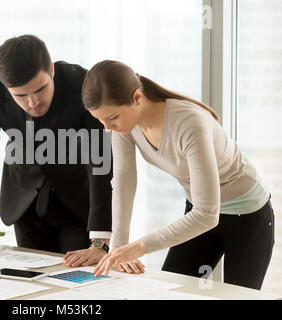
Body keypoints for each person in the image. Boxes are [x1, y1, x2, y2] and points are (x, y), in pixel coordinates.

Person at [83, 60, 274, 290]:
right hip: (199, 211)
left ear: (136, 97)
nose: (106, 127)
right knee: (170, 293)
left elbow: (207, 214)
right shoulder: (125, 125)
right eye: (100, 120)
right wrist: (119, 250)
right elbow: (124, 181)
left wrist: (139, 247)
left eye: (112, 118)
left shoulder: (189, 122)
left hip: (247, 216)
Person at [0, 35, 113, 268]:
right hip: (24, 201)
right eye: (21, 95)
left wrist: (99, 243)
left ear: (52, 70)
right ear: (6, 87)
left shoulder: (83, 83)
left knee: (76, 282)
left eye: (40, 89)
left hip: (77, 202)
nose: (33, 102)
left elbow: (99, 161)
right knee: (32, 282)